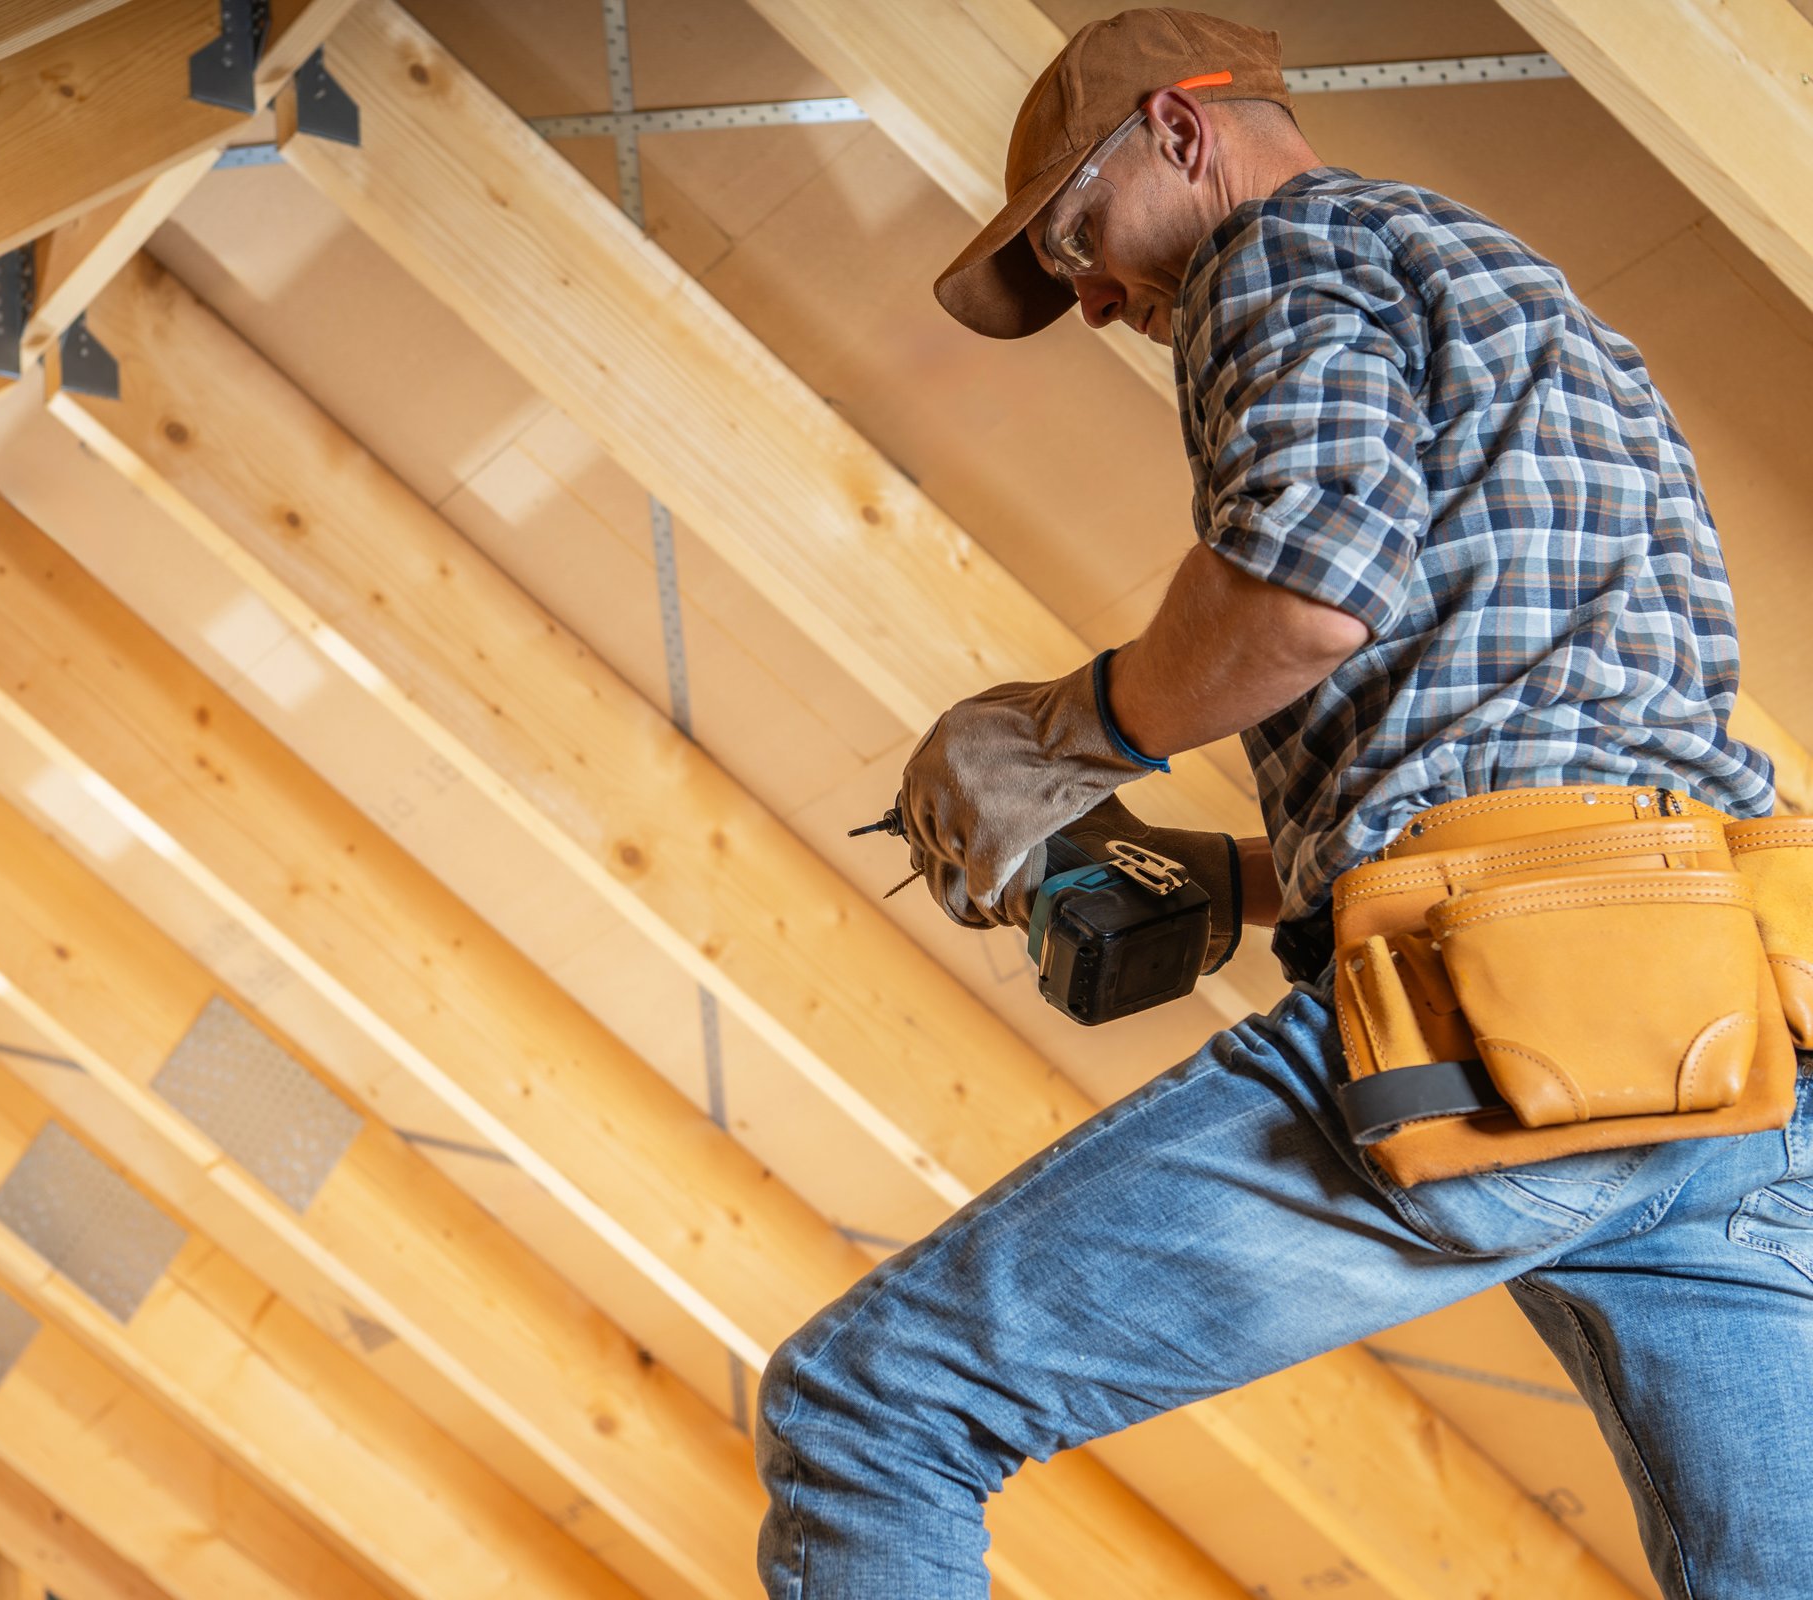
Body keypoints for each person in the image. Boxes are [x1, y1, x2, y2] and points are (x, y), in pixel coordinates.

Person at [752, 10, 1809, 1599]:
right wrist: (1246, 879)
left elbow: (1311, 590)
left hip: (1509, 1033)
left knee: (872, 1407)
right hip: (1728, 1041)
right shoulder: (1523, 297)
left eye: (1078, 239)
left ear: (1183, 131)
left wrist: (1066, 732)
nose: (1096, 297)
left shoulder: (1285, 252)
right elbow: (1531, 718)